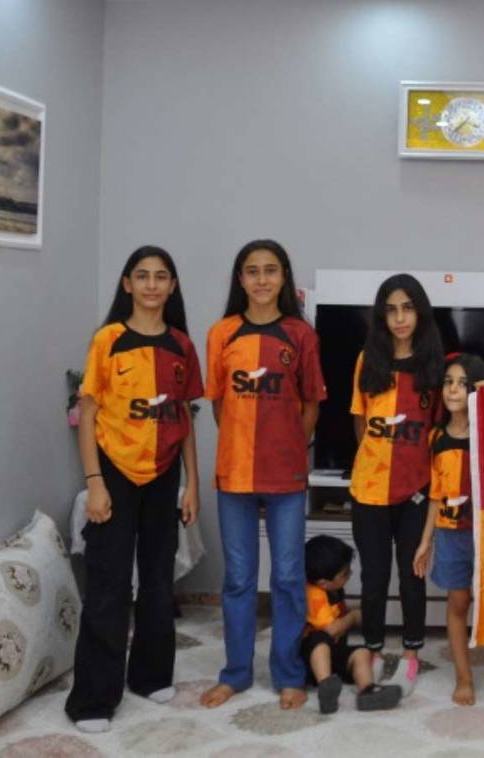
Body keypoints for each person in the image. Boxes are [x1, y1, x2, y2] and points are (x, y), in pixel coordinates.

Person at [66, 246, 202, 733]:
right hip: (115, 473)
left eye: (161, 276)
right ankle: (92, 700)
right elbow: (87, 413)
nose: (151, 285)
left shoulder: (182, 345)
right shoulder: (108, 340)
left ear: (172, 286)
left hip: (164, 475)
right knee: (109, 584)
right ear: (127, 284)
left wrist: (191, 484)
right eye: (142, 276)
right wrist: (95, 483)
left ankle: (150, 675)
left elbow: (184, 417)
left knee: (159, 581)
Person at [199, 240, 325, 711]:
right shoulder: (222, 333)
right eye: (252, 271)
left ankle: (288, 674)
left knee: (289, 577)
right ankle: (235, 673)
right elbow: (219, 405)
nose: (262, 279)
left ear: (284, 277)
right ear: (240, 279)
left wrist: (287, 447)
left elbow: (311, 404)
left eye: (271, 270)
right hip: (233, 476)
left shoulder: (301, 335)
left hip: (286, 479)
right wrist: (242, 443)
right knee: (238, 579)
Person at [349, 273, 445, 694]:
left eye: (408, 308)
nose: (400, 318)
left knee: (411, 576)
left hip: (416, 491)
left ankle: (410, 652)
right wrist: (374, 463)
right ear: (381, 316)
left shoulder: (434, 368)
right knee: (373, 576)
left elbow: (440, 431)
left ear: (420, 313)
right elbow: (360, 422)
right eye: (391, 309)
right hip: (368, 490)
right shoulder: (367, 360)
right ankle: (372, 648)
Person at [413, 353, 484, 706]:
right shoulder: (436, 436)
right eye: (448, 382)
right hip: (450, 533)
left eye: (463, 383)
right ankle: (464, 677)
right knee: (458, 602)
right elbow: (435, 494)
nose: (453, 390)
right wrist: (426, 541)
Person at [301, 535, 403, 713]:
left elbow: (338, 615)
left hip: (335, 654)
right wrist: (354, 617)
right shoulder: (314, 595)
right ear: (323, 583)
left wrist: (355, 612)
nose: (350, 575)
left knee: (362, 652)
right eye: (345, 574)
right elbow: (331, 629)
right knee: (320, 642)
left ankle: (368, 691)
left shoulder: (333, 590)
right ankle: (325, 686)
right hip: (310, 661)